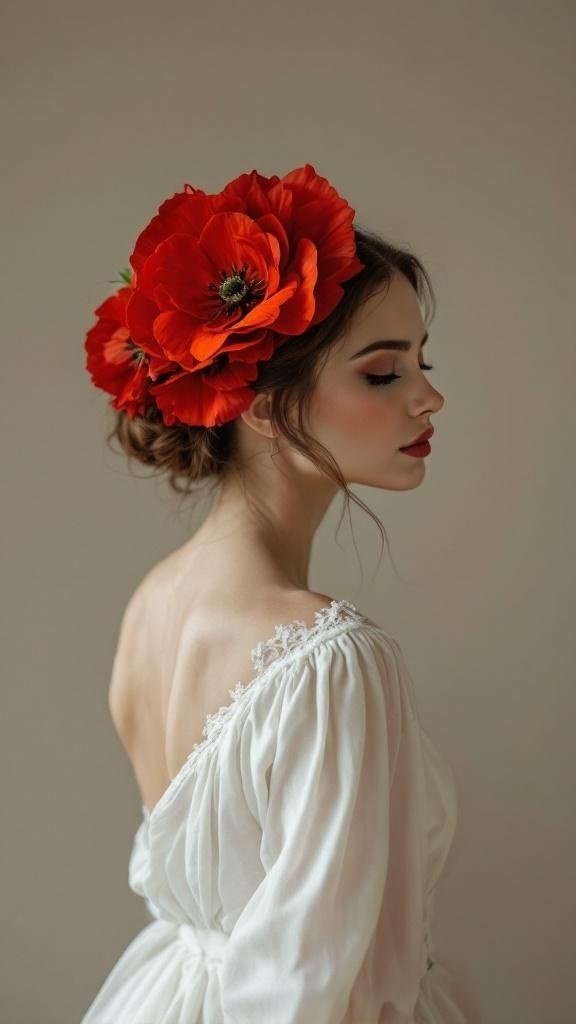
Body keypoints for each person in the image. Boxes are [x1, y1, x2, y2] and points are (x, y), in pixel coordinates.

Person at [80, 164, 480, 1022]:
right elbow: (308, 988)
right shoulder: (332, 659)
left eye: (423, 362)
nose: (430, 397)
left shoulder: (153, 600)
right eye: (384, 374)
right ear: (259, 404)